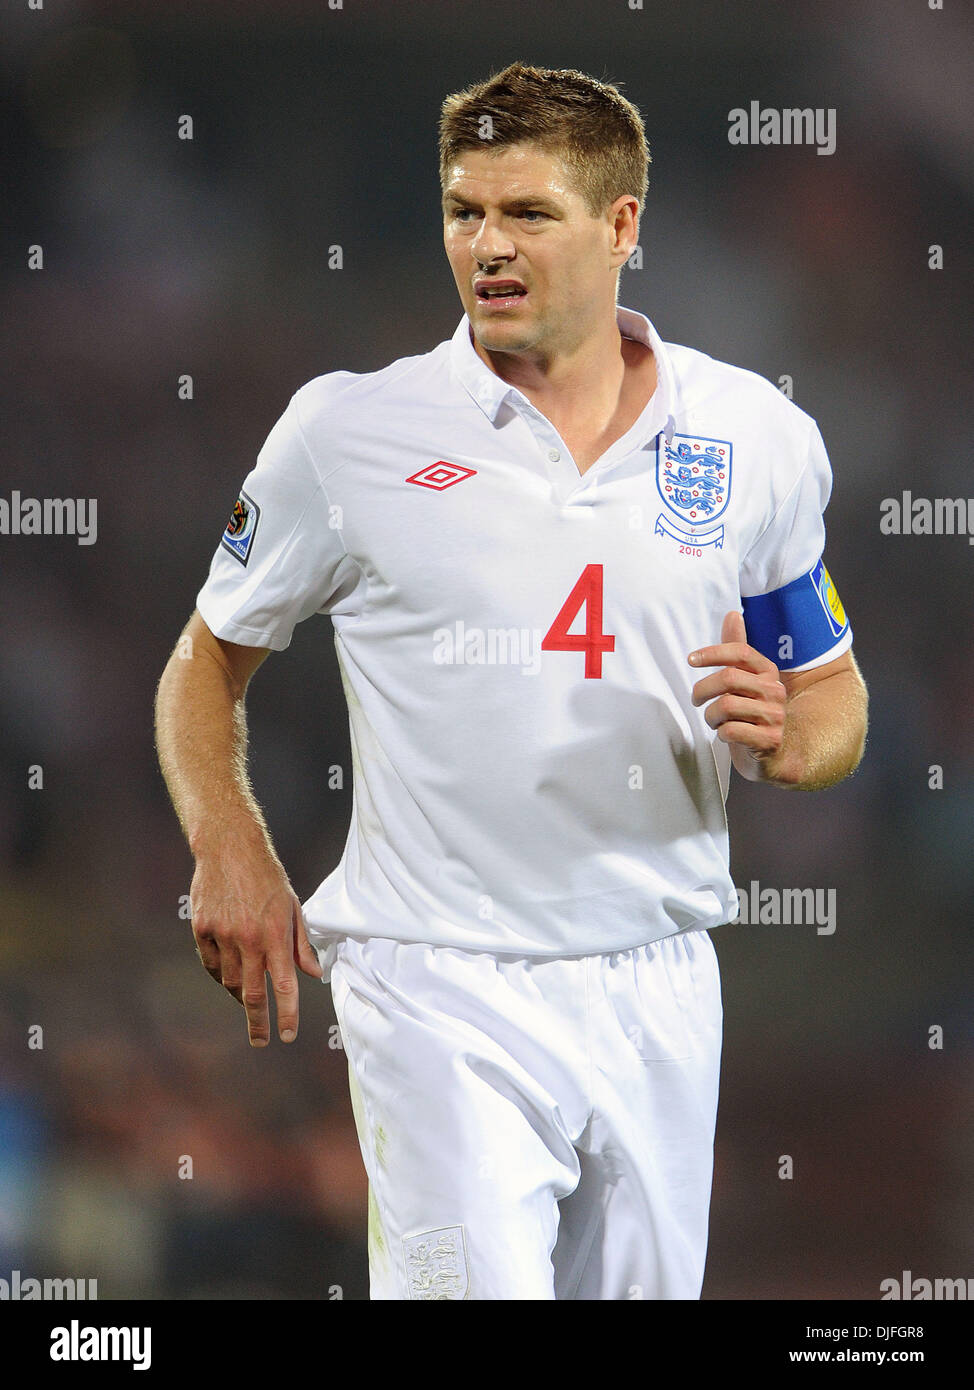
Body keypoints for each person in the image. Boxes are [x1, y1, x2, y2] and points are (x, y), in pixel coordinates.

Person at [154, 62, 868, 1301]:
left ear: (621, 226)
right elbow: (205, 660)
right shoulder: (349, 435)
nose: (485, 244)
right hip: (436, 977)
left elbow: (831, 696)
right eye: (462, 210)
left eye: (526, 213)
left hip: (656, 970)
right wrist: (228, 839)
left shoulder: (754, 437)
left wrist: (797, 740)